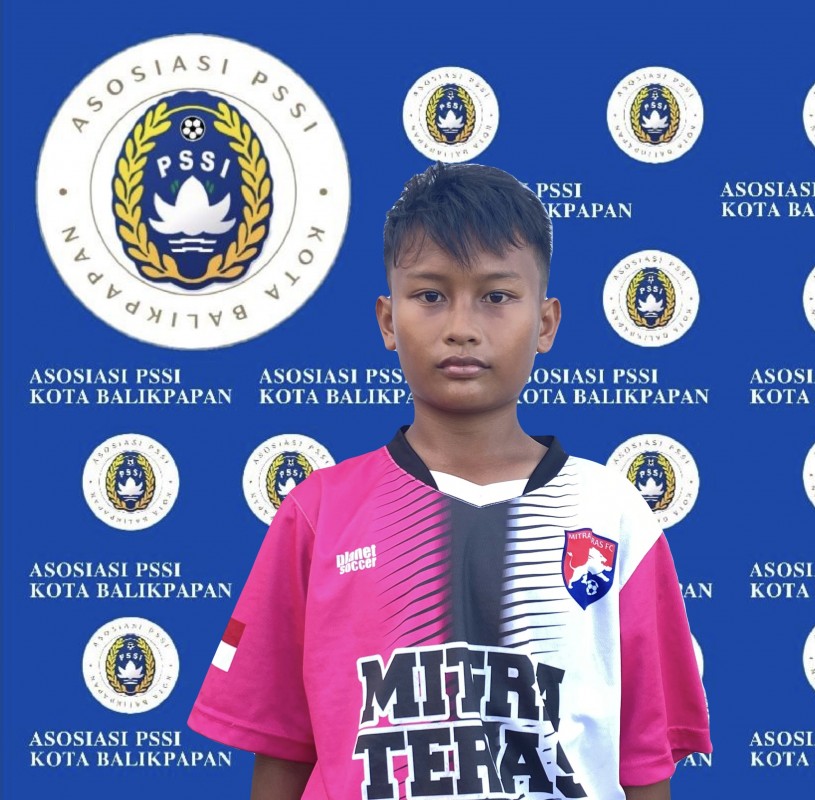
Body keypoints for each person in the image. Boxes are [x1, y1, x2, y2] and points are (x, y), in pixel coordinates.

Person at [188, 162, 712, 799]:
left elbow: (644, 758)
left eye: (496, 296)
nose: (462, 327)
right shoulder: (318, 514)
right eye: (431, 296)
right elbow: (280, 749)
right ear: (388, 321)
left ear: (546, 323)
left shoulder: (614, 514)